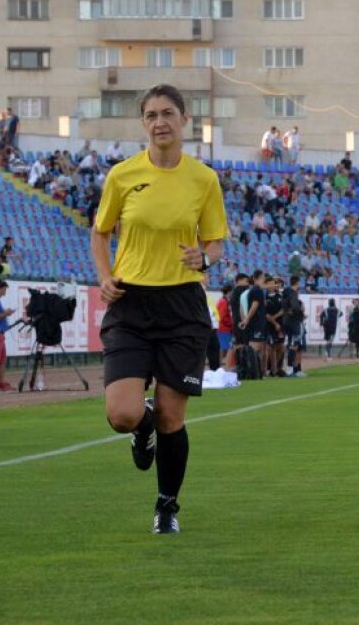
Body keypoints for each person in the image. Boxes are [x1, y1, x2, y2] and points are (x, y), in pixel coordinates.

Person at [91, 84, 228, 535]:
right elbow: (100, 232)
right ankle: (141, 425)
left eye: (168, 113)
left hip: (182, 306)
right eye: (151, 115)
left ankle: (167, 505)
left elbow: (216, 241)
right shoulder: (122, 176)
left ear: (185, 119)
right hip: (130, 305)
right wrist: (105, 275)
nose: (159, 122)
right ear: (144, 123)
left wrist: (204, 259)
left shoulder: (203, 179)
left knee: (174, 416)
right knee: (122, 414)